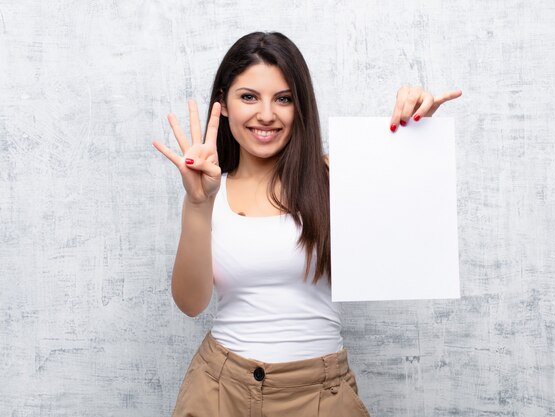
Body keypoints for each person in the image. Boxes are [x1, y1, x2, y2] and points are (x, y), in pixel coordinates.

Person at [152, 31, 461, 417]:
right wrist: (198, 203)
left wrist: (414, 131)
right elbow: (191, 303)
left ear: (300, 106)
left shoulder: (335, 177)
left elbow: (410, 214)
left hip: (320, 394)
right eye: (249, 96)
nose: (266, 114)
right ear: (224, 105)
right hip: (219, 390)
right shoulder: (211, 190)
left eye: (283, 98)